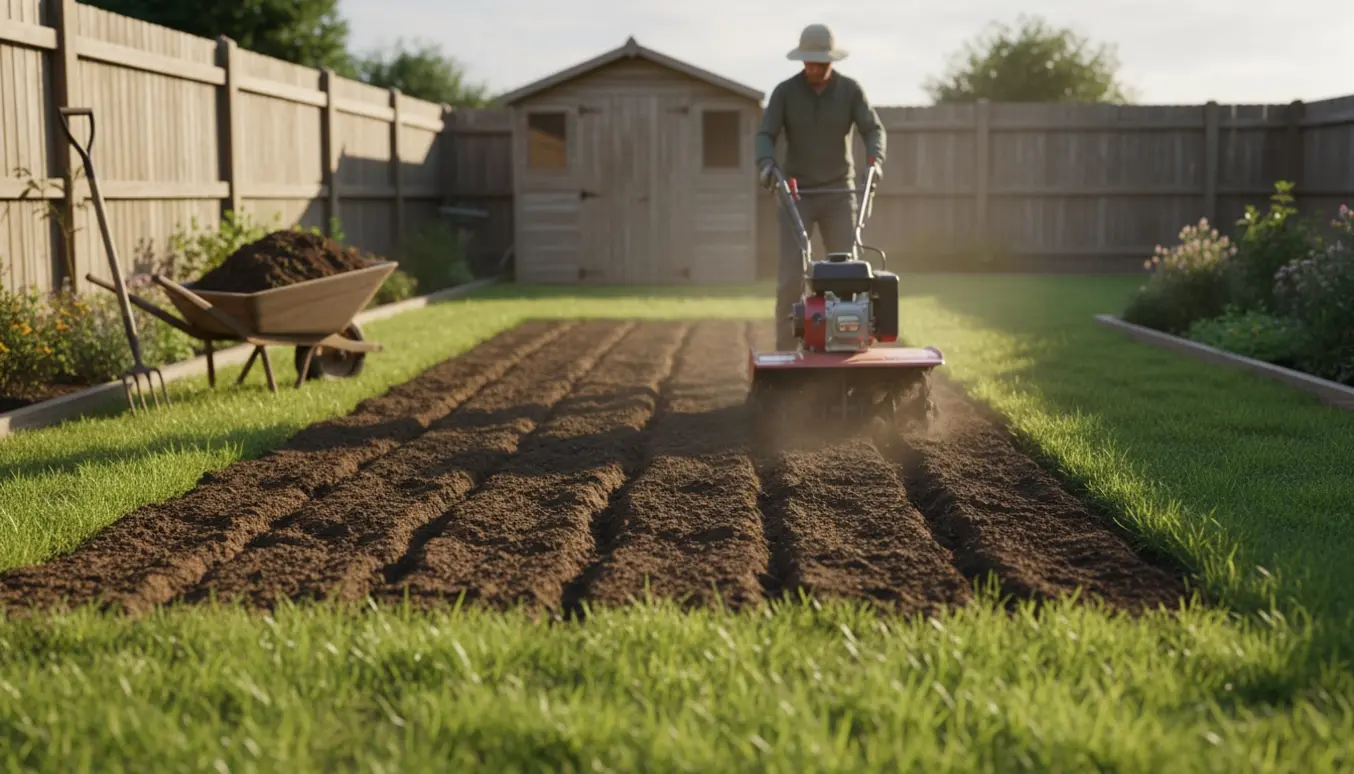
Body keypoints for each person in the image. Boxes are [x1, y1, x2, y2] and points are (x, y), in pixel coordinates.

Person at [755, 23, 886, 351]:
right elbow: (765, 135)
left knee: (851, 273)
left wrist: (875, 160)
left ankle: (850, 343)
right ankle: (787, 351)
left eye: (820, 63)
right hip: (797, 193)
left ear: (831, 61)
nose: (813, 68)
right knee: (791, 275)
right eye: (808, 62)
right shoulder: (785, 93)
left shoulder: (850, 91)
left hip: (840, 192)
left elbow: (872, 129)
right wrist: (767, 164)